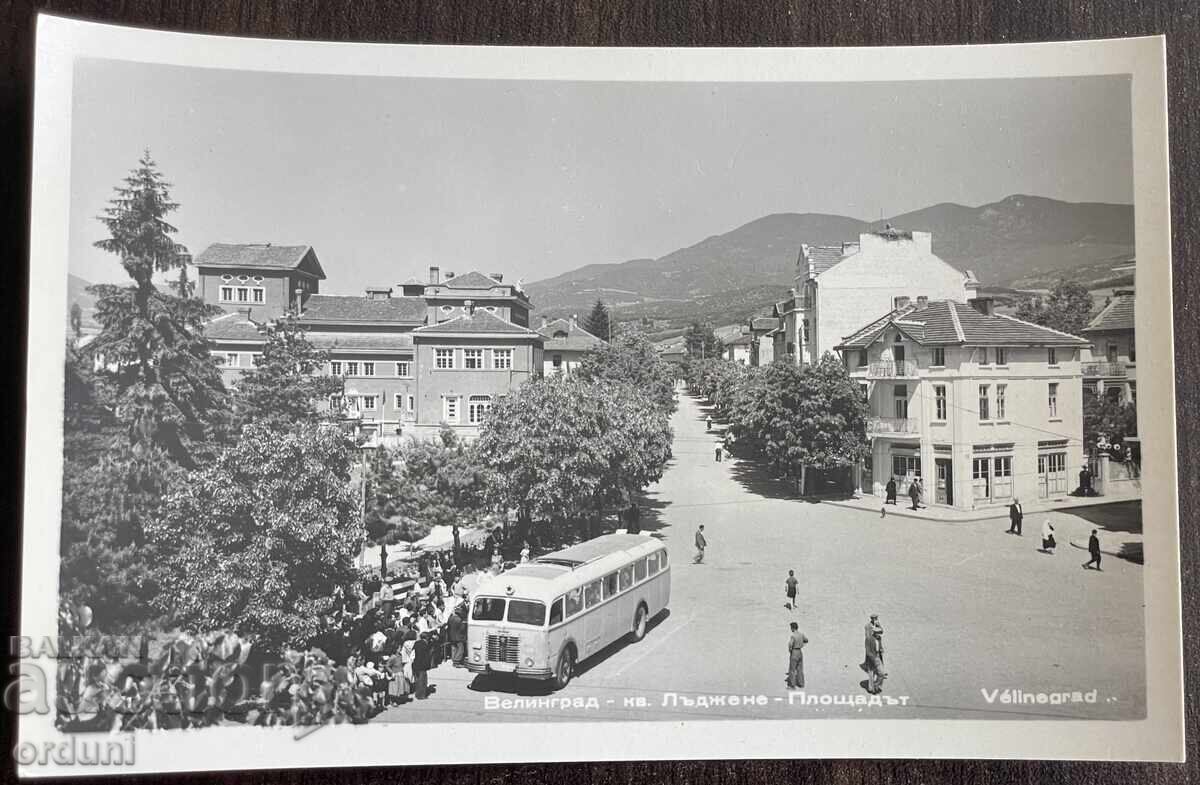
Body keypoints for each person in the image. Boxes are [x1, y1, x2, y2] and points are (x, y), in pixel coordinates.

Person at [862, 615, 887, 694]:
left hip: (877, 656)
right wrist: (872, 658)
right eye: (877, 632)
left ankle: (876, 685)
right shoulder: (869, 638)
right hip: (872, 657)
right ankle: (871, 689)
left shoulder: (879, 637)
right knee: (871, 673)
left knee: (881, 673)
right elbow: (868, 650)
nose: (879, 633)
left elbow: (882, 632)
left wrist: (881, 649)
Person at [786, 622, 808, 689]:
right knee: (800, 669)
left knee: (792, 669)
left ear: (792, 628)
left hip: (794, 652)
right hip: (800, 652)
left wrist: (790, 651)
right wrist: (802, 645)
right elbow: (806, 640)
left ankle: (792, 685)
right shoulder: (801, 634)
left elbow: (790, 645)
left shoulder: (793, 636)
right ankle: (801, 684)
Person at [412, 631, 432, 700]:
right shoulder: (425, 644)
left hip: (415, 664)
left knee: (417, 680)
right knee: (422, 681)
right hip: (422, 665)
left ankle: (417, 693)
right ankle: (421, 695)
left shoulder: (417, 643)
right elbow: (426, 656)